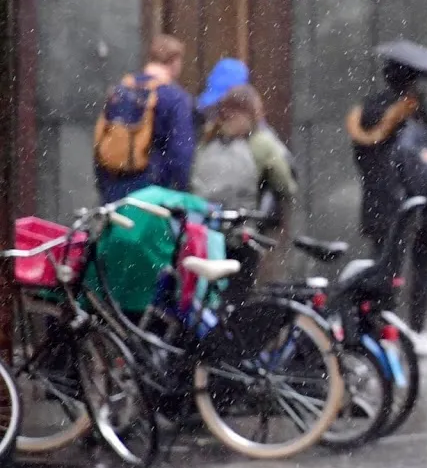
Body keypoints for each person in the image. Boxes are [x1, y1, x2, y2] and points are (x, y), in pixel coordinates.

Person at [345, 62, 427, 357]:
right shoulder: (416, 115)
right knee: (417, 268)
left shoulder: (366, 113)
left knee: (382, 269)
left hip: (380, 203)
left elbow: (363, 160)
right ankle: (416, 330)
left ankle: (379, 331)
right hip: (415, 203)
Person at [190, 85, 298, 283]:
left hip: (204, 232)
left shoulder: (208, 137)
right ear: (254, 111)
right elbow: (286, 185)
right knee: (240, 297)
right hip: (241, 235)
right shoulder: (261, 142)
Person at [94, 34, 195, 204]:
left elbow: (101, 140)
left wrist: (105, 187)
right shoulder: (174, 97)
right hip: (153, 193)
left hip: (114, 188)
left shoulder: (120, 91)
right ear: (175, 61)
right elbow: (181, 152)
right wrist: (181, 191)